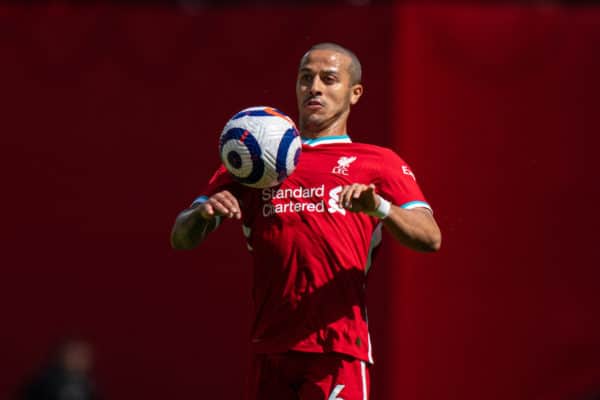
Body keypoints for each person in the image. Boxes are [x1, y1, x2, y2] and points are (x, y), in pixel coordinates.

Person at [171, 42, 441, 400]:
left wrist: (380, 208)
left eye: (329, 79)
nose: (314, 87)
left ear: (354, 93)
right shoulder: (255, 160)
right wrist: (203, 214)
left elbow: (430, 237)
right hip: (270, 347)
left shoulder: (378, 163)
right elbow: (181, 237)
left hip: (338, 348)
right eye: (305, 78)